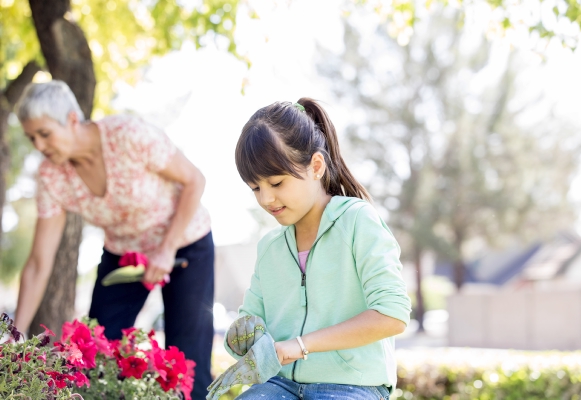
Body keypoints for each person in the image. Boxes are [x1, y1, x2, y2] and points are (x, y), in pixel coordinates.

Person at [13, 80, 214, 400]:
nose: (39, 145)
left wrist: (167, 248)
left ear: (72, 120)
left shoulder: (128, 135)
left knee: (188, 359)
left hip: (185, 243)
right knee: (95, 351)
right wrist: (15, 336)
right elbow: (39, 263)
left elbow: (194, 180)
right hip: (124, 254)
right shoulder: (51, 175)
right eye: (31, 137)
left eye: (45, 133)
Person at [225, 98, 412, 399]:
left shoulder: (357, 221)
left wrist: (300, 345)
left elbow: (392, 314)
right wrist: (244, 340)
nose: (265, 199)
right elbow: (252, 320)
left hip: (354, 384)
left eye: (276, 182)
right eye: (255, 188)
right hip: (279, 384)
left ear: (315, 166)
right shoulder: (270, 247)